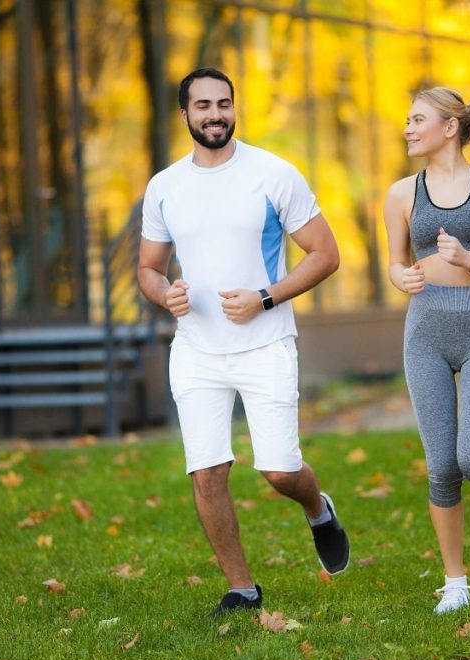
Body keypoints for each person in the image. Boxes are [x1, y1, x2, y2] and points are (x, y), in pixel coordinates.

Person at [137, 67, 350, 616]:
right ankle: (242, 590)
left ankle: (318, 509)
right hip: (196, 351)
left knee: (279, 470)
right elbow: (148, 269)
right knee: (206, 471)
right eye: (203, 105)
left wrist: (267, 297)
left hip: (265, 344)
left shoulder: (274, 174)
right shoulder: (165, 186)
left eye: (224, 103)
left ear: (235, 108)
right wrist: (167, 296)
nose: (215, 114)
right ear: (184, 114)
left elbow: (325, 254)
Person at [383, 84, 470, 614]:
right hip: (425, 333)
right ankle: (456, 582)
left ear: (449, 127)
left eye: (417, 118)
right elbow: (396, 263)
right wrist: (402, 279)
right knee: (441, 465)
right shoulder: (401, 194)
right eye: (407, 119)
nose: (408, 127)